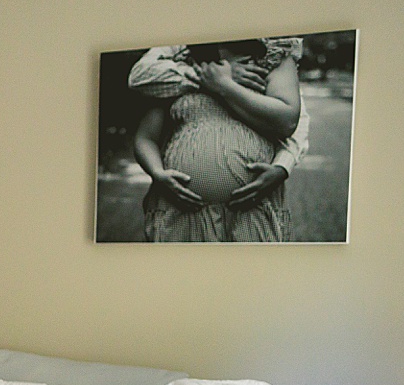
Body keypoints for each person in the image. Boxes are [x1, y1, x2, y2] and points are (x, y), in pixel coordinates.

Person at [128, 38, 306, 242]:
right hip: (180, 214)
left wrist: (224, 85)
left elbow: (288, 122)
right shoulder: (176, 63)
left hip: (250, 214)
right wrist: (157, 173)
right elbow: (146, 137)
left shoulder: (271, 57)